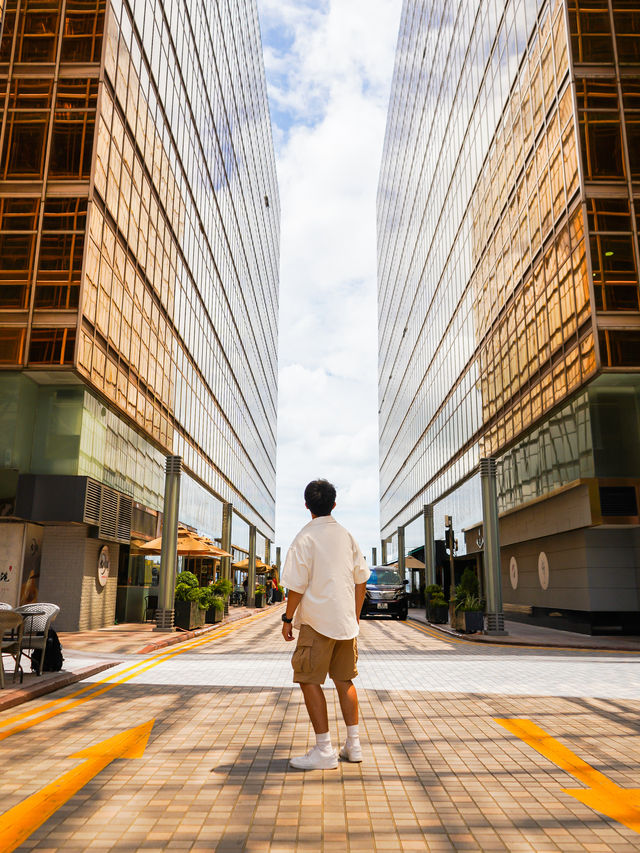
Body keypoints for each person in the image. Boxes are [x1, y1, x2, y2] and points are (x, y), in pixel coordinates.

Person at [280, 479, 369, 770]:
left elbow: (296, 585)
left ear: (307, 505)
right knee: (345, 681)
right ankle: (353, 746)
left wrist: (287, 619)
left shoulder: (304, 538)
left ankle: (324, 750)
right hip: (346, 623)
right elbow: (361, 580)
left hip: (317, 623)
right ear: (333, 504)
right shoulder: (347, 536)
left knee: (308, 679)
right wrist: (354, 615)